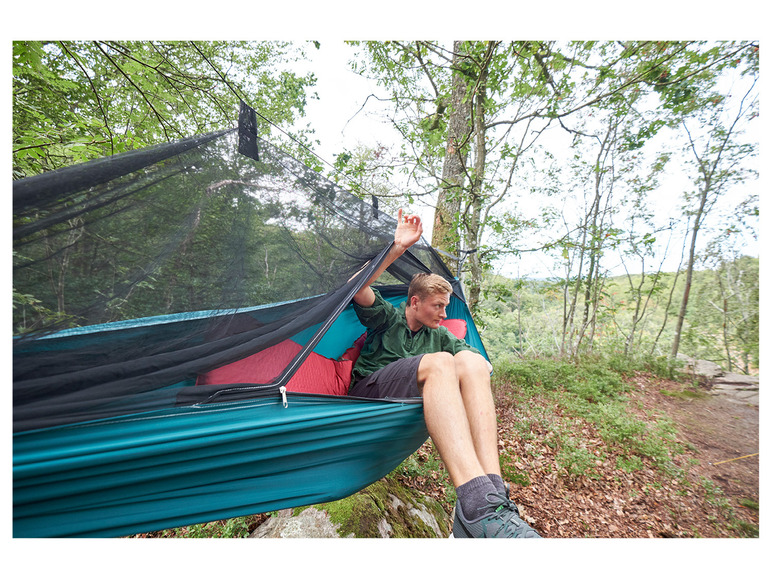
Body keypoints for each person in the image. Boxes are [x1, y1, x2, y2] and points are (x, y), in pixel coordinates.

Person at [348, 209, 541, 538]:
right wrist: (396, 247)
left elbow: (477, 362)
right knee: (440, 362)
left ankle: (491, 499)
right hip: (370, 393)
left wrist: (471, 365)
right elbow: (356, 286)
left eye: (446, 305)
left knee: (472, 362)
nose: (443, 312)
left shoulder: (438, 335)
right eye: (437, 305)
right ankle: (476, 505)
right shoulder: (387, 317)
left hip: (409, 394)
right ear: (414, 302)